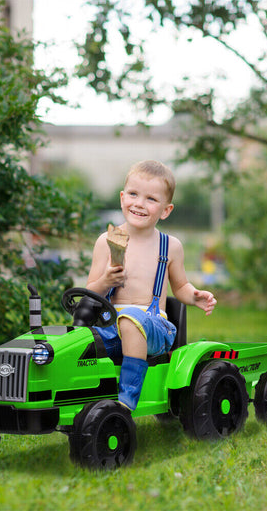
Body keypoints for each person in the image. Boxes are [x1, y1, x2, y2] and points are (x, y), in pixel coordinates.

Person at [86, 160, 217, 410]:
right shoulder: (107, 241)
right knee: (79, 339)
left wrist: (194, 296)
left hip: (153, 326)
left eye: (151, 199)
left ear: (165, 210)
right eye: (133, 194)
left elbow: (180, 286)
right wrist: (105, 281)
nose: (139, 203)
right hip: (110, 326)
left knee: (131, 320)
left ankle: (127, 398)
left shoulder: (170, 246)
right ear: (122, 198)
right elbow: (90, 292)